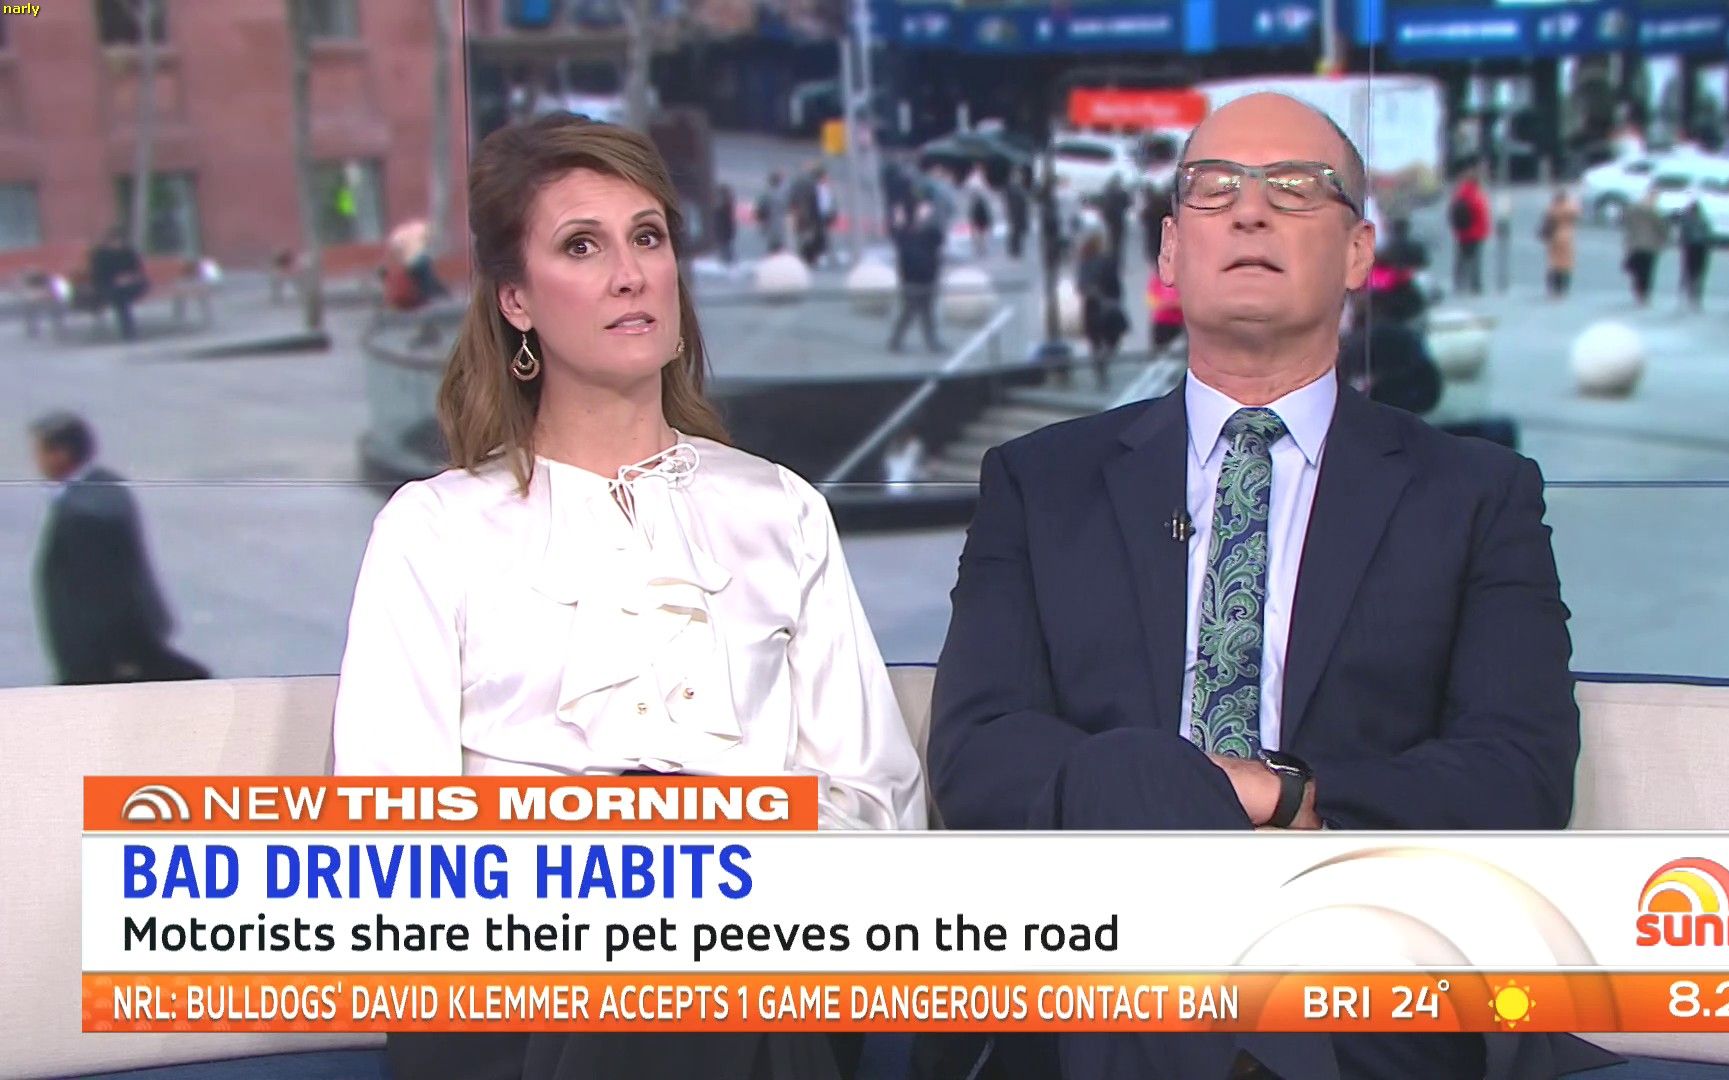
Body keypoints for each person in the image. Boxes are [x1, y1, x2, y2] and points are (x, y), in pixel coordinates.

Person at [928, 92, 1617, 1080]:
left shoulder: (1475, 494)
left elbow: (1520, 772)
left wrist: (1292, 794)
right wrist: (1175, 801)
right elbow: (977, 750)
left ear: (1357, 252)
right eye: (1214, 188)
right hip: (1098, 951)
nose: (1250, 210)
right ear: (1170, 252)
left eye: (1294, 188)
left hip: (1368, 956)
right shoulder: (1039, 483)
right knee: (1135, 780)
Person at [333, 114, 926, 1080]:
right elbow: (383, 834)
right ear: (516, 299)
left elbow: (878, 802)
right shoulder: (434, 528)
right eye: (582, 246)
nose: (630, 274)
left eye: (647, 237)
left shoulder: (782, 510)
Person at [30, 412, 208, 685]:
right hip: (116, 648)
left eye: (40, 452)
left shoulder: (83, 512)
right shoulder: (101, 485)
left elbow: (106, 590)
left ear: (61, 455)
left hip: (101, 656)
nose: (37, 461)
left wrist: (119, 657)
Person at [889, 198, 946, 354]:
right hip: (911, 277)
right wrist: (899, 222)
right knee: (910, 310)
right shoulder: (905, 232)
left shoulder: (930, 231)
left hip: (927, 276)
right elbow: (899, 241)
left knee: (927, 311)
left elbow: (939, 238)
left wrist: (928, 220)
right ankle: (896, 340)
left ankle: (931, 341)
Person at [1074, 228, 1125, 388]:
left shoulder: (1084, 262)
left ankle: (1099, 365)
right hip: (1106, 305)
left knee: (1095, 340)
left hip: (1091, 306)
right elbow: (1115, 284)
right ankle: (1102, 361)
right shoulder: (1106, 261)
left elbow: (1081, 285)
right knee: (1112, 337)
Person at [88, 227, 148, 341]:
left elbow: (137, 270)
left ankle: (128, 331)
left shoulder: (128, 252)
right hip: (109, 285)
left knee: (124, 294)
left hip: (130, 284)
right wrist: (115, 280)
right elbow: (98, 275)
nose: (118, 244)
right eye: (115, 241)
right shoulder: (101, 255)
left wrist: (129, 278)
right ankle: (128, 331)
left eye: (120, 241)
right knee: (120, 297)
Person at [1620, 190, 1669, 305]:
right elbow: (1661, 227)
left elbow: (1625, 221)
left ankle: (1638, 291)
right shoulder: (1655, 212)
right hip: (1650, 246)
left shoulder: (1632, 210)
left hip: (1635, 244)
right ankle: (1644, 294)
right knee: (1647, 271)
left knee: (1638, 269)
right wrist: (1664, 240)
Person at [1446, 169, 1490, 295]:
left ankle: (1458, 283)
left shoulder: (1459, 194)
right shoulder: (1476, 196)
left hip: (1462, 233)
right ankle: (1475, 285)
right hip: (1476, 233)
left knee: (1461, 259)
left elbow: (1452, 213)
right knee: (1475, 260)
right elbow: (1482, 215)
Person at [1540, 189, 1579, 298]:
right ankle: (1563, 288)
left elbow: (1547, 218)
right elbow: (1577, 214)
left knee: (1553, 264)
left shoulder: (1552, 207)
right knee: (1566, 265)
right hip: (1567, 237)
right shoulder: (1571, 207)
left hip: (1553, 237)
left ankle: (1553, 289)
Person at [1677, 199, 1714, 310]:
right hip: (1701, 249)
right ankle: (1695, 295)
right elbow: (1709, 236)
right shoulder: (1704, 221)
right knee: (1698, 273)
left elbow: (1683, 236)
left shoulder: (1687, 221)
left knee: (1689, 272)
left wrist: (1682, 243)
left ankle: (1689, 293)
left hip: (1690, 249)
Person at [711, 182, 737, 266]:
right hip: (724, 231)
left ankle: (727, 263)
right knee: (725, 248)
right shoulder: (725, 207)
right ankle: (727, 263)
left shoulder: (723, 207)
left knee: (725, 248)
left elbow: (723, 220)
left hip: (724, 231)